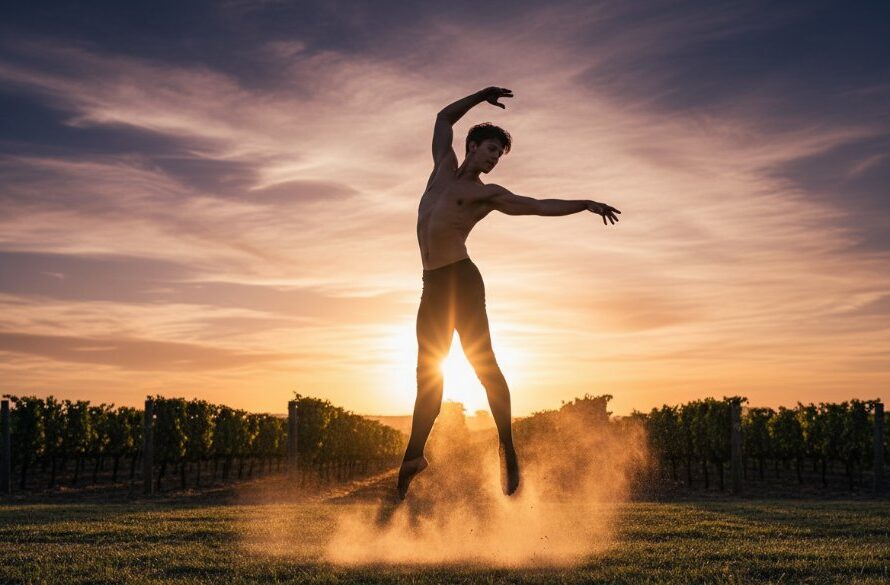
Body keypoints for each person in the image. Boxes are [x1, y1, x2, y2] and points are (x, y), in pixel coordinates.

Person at [397, 86, 621, 499]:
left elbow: (537, 205)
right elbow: (443, 118)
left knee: (484, 366)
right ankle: (414, 455)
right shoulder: (441, 169)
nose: (492, 159)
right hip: (431, 286)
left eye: (498, 155)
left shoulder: (488, 194)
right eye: (489, 150)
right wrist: (481, 95)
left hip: (462, 281)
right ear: (472, 147)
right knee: (427, 375)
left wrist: (583, 203)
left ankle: (507, 447)